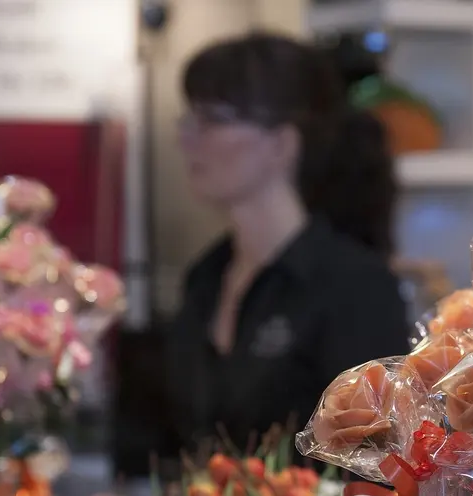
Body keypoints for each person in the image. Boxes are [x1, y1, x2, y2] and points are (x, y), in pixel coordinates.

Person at [160, 33, 411, 465]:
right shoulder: (205, 277)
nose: (187, 138)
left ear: (281, 144)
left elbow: (375, 467)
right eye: (189, 119)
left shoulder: (354, 287)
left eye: (211, 119)